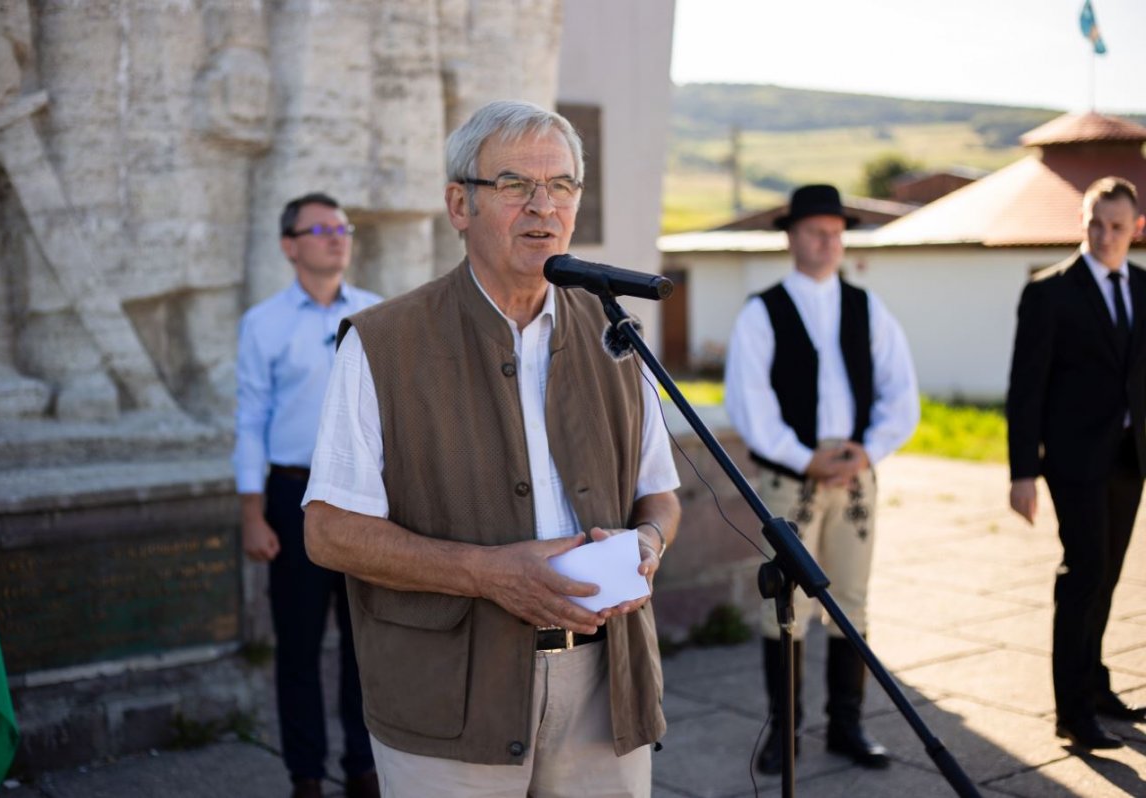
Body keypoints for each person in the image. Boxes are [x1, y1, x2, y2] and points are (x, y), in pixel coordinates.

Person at [302, 99, 682, 797]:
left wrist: (650, 544)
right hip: (450, 699)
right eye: (514, 185)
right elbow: (328, 534)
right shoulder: (382, 344)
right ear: (459, 204)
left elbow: (659, 493)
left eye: (561, 185)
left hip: (608, 689)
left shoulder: (615, 336)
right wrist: (489, 573)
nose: (543, 207)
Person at [723, 184, 920, 775]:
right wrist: (804, 457)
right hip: (793, 478)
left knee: (851, 602)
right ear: (792, 237)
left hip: (856, 473)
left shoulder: (867, 307)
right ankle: (785, 731)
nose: (827, 240)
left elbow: (900, 392)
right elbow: (749, 401)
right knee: (784, 606)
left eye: (835, 231)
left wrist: (868, 450)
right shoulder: (763, 311)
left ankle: (847, 725)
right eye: (815, 230)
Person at [233, 193, 383, 798]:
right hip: (290, 499)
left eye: (341, 227)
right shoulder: (263, 324)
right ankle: (305, 776)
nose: (335, 237)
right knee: (296, 647)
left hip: (366, 503)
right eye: (318, 229)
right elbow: (250, 420)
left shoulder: (378, 315)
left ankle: (364, 767)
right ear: (289, 244)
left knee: (366, 645)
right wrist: (251, 514)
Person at [1007, 176, 1146, 750]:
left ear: (1135, 229)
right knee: (1084, 572)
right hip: (1072, 459)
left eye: (1117, 226)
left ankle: (1095, 685)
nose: (1105, 236)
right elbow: (1025, 387)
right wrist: (1022, 473)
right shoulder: (1048, 291)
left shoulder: (1142, 285)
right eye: (1096, 223)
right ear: (1083, 221)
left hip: (1128, 458)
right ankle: (1072, 712)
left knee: (1108, 577)